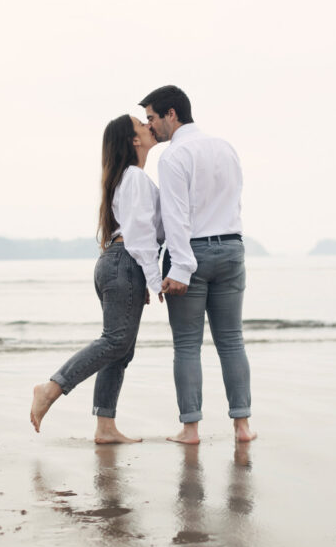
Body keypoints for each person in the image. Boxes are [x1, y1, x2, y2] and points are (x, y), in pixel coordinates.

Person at [29, 114, 164, 443]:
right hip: (124, 262)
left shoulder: (129, 177)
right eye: (141, 124)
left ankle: (105, 426)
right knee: (115, 341)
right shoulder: (134, 177)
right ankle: (51, 388)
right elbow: (141, 235)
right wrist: (154, 279)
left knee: (121, 349)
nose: (149, 126)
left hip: (117, 263)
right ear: (134, 140)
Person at [140, 85, 257, 444]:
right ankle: (242, 427)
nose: (150, 129)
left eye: (152, 119)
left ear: (171, 114)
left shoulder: (173, 157)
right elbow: (233, 202)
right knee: (232, 341)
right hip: (232, 248)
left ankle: (190, 429)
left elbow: (176, 218)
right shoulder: (226, 147)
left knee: (188, 346)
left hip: (190, 252)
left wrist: (179, 269)